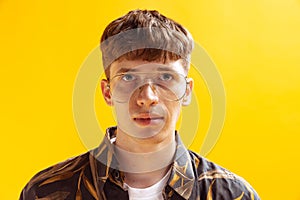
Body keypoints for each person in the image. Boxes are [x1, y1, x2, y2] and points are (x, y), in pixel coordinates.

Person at [20, 9, 260, 200]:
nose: (147, 97)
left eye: (165, 77)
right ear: (107, 92)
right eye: (128, 77)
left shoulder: (232, 195)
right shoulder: (44, 193)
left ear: (186, 92)